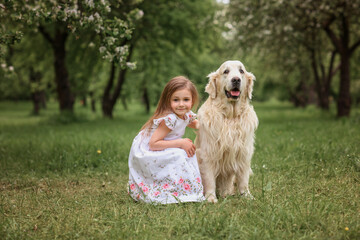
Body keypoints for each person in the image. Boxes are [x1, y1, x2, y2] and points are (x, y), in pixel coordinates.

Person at [128, 76, 205, 204]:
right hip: (149, 149)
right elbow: (153, 144)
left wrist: (212, 126)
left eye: (186, 99)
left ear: (192, 100)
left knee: (186, 153)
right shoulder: (169, 119)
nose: (181, 104)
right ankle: (166, 190)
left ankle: (183, 189)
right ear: (168, 100)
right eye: (176, 100)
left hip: (164, 144)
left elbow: (195, 124)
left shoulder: (185, 114)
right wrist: (180, 143)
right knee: (180, 154)